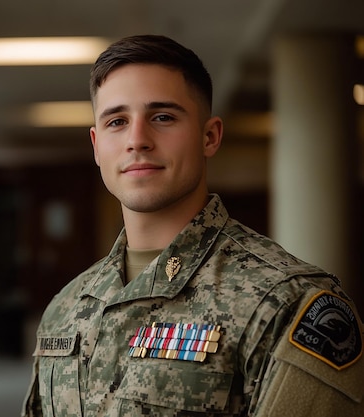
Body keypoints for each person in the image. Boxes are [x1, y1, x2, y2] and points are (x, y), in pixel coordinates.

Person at [21, 34, 364, 417]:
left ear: (210, 136)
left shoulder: (288, 302)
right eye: (117, 121)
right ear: (96, 146)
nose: (137, 140)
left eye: (163, 117)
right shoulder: (65, 308)